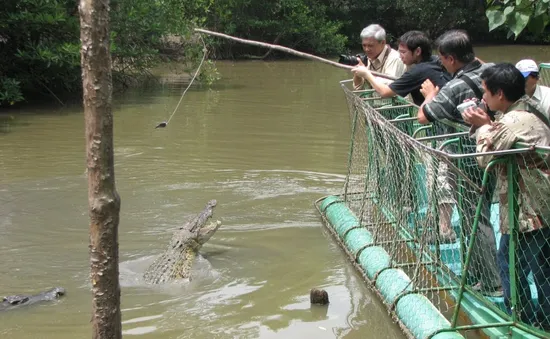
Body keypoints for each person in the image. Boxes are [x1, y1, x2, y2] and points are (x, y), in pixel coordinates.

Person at [462, 63, 550, 330]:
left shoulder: (513, 121)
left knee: (518, 264)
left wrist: (481, 127)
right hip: (535, 205)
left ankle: (525, 320)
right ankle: (537, 319)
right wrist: (488, 124)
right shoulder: (521, 112)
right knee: (537, 266)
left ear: (500, 94)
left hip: (530, 210)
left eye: (485, 92)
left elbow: (484, 157)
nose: (482, 98)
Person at [418, 30, 502, 296]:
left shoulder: (454, 87)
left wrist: (430, 94)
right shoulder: (494, 72)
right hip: (500, 153)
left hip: (469, 161)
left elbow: (423, 117)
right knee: (482, 216)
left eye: (443, 59)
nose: (441, 64)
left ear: (451, 58)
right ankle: (479, 274)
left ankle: (492, 283)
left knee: (476, 219)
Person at [351, 30, 451, 105]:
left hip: (441, 123)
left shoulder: (417, 71)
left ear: (417, 51)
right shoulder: (436, 60)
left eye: (403, 52)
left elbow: (385, 92)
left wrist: (366, 73)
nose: (400, 56)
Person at [352, 24, 405, 90]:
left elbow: (388, 88)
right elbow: (358, 88)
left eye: (370, 46)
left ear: (383, 42)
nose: (366, 49)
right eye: (364, 45)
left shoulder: (394, 58)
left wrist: (367, 74)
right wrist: (357, 74)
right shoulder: (369, 57)